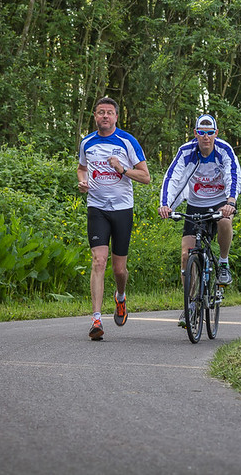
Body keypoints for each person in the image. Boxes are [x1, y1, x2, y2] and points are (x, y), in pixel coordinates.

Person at [158, 113, 241, 326]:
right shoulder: (186, 151)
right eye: (201, 133)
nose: (206, 137)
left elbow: (234, 174)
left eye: (210, 133)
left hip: (221, 201)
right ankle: (190, 304)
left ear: (215, 134)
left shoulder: (224, 150)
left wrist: (231, 201)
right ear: (195, 134)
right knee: (186, 255)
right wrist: (164, 204)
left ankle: (223, 262)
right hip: (196, 203)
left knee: (224, 220)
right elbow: (172, 177)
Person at [78, 97, 151, 340]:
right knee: (99, 261)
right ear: (95, 116)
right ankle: (96, 320)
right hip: (97, 208)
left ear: (116, 117)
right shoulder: (86, 142)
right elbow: (81, 167)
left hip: (122, 209)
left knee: (119, 270)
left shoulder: (127, 141)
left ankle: (120, 297)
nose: (105, 116)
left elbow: (145, 177)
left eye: (110, 112)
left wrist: (122, 169)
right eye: (101, 112)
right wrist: (82, 180)